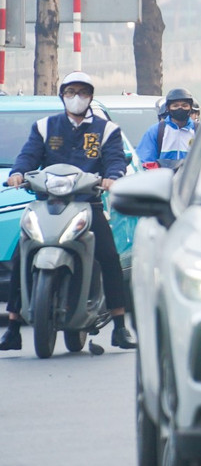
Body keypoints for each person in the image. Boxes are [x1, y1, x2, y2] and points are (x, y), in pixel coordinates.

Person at [1, 72, 135, 351]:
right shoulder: (45, 127)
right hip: (47, 203)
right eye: (71, 91)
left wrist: (112, 176)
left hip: (88, 203)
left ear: (90, 96)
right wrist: (17, 173)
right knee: (21, 254)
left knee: (110, 257)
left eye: (83, 92)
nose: (77, 97)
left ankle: (120, 327)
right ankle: (13, 327)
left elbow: (114, 160)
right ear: (62, 95)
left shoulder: (107, 130)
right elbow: (28, 156)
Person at [136, 87, 197, 166]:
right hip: (163, 177)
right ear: (168, 108)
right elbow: (145, 161)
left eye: (184, 106)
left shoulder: (200, 131)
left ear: (190, 108)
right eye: (175, 106)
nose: (180, 109)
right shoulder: (156, 131)